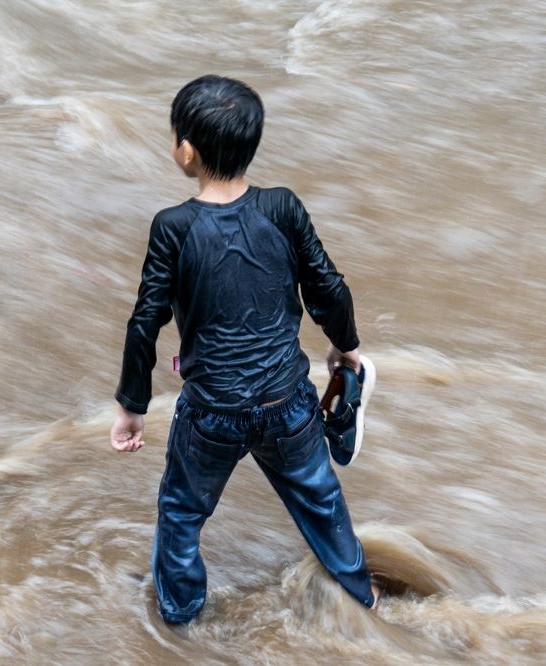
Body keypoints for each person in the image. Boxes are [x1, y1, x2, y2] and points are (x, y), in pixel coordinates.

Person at [108, 74, 378, 624]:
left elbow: (145, 324)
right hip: (289, 404)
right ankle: (364, 603)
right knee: (323, 506)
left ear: (185, 151)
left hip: (213, 412)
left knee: (183, 513)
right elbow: (327, 286)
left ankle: (178, 620)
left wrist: (132, 407)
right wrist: (346, 349)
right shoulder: (282, 207)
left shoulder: (174, 227)